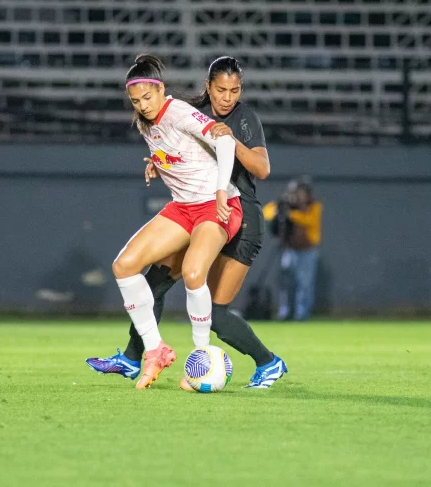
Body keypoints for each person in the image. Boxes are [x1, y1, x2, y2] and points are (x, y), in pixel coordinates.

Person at [88, 56, 288, 389]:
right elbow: (180, 147)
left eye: (234, 90)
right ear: (207, 87)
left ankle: (261, 362)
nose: (227, 97)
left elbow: (260, 168)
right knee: (151, 281)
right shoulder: (166, 113)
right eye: (220, 89)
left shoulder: (238, 117)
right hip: (190, 207)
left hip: (237, 213)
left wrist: (223, 174)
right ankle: (139, 355)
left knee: (216, 312)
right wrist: (160, 160)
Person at [108, 54, 244, 389]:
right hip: (183, 208)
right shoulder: (145, 121)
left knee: (195, 274)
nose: (143, 105)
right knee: (124, 266)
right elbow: (177, 151)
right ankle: (154, 350)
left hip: (217, 205)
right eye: (136, 101)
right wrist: (159, 162)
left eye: (148, 97)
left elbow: (224, 141)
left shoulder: (178, 111)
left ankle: (201, 356)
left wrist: (221, 192)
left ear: (160, 89)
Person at [265, 179, 322, 321]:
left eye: (301, 193)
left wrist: (290, 214)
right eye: (296, 193)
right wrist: (281, 209)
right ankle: (285, 313)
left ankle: (301, 314)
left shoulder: (314, 206)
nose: (298, 196)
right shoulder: (288, 205)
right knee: (286, 283)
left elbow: (310, 220)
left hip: (307, 250)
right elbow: (266, 212)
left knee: (304, 283)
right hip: (290, 250)